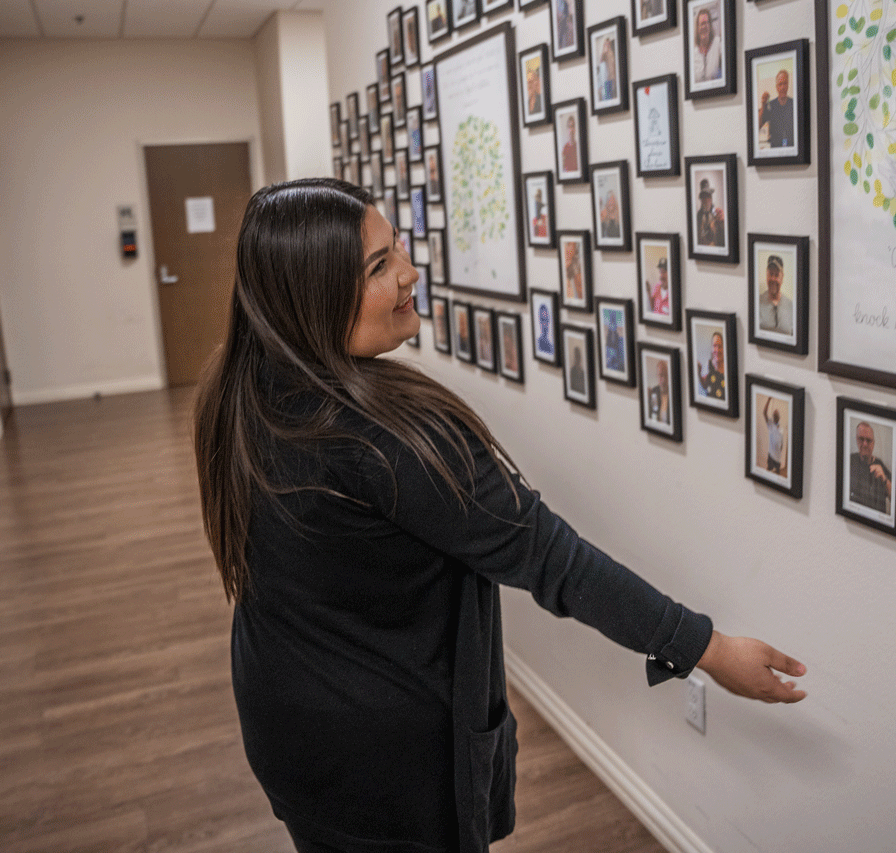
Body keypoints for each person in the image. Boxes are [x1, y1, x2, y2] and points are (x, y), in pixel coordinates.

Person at [193, 178, 806, 853]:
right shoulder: (387, 440)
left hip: (285, 726)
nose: (408, 273)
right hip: (382, 768)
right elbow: (554, 559)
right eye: (377, 266)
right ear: (309, 296)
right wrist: (710, 649)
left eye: (396, 248)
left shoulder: (238, 387)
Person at [848, 421, 891, 513]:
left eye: (868, 440)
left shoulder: (880, 465)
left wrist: (884, 479)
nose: (864, 444)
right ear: (856, 439)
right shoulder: (849, 461)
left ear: (873, 443)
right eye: (861, 439)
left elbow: (895, 498)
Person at [758, 69, 795, 148]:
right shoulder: (770, 105)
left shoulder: (794, 104)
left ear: (788, 84)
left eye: (785, 83)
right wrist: (763, 105)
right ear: (776, 87)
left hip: (792, 149)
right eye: (780, 84)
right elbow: (758, 125)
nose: (783, 87)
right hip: (775, 150)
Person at [758, 254, 793, 335]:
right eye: (771, 274)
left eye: (776, 275)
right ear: (766, 275)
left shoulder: (791, 306)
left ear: (782, 277)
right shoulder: (757, 303)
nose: (773, 279)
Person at [692, 7, 722, 84]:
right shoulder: (693, 54)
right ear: (697, 28)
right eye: (701, 24)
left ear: (710, 25)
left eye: (706, 23)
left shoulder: (718, 43)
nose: (704, 27)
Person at [696, 331, 725, 401]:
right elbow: (705, 385)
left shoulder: (728, 367)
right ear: (711, 348)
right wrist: (699, 373)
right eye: (715, 346)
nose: (717, 350)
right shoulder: (708, 364)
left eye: (720, 346)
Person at [695, 179, 725, 249]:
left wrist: (722, 223)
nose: (706, 200)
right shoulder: (698, 216)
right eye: (704, 197)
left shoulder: (718, 214)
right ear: (701, 199)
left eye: (708, 196)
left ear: (711, 198)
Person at [764, 399, 785, 474]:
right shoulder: (770, 424)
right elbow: (764, 413)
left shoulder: (781, 429)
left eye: (777, 413)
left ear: (779, 416)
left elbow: (781, 442)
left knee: (777, 473)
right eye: (774, 413)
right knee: (768, 472)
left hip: (778, 458)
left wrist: (780, 450)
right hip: (771, 456)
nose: (775, 413)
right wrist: (769, 399)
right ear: (773, 416)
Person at [647, 358, 670, 424]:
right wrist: (647, 400)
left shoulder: (673, 393)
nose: (663, 379)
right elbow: (652, 414)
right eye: (660, 375)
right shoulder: (654, 392)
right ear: (657, 376)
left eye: (665, 375)